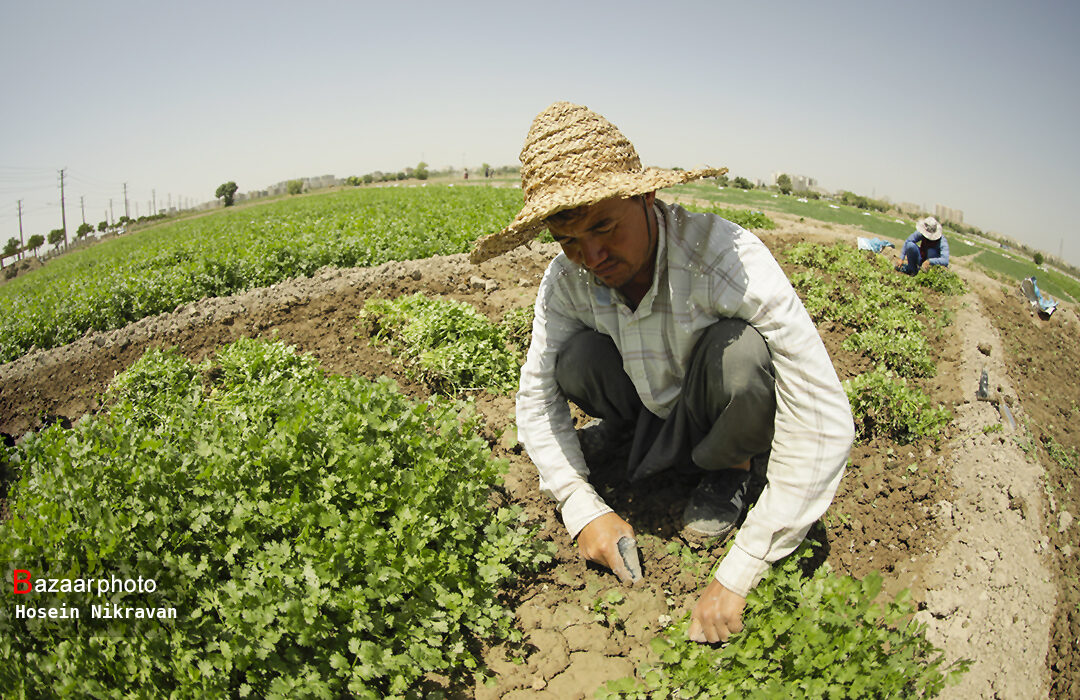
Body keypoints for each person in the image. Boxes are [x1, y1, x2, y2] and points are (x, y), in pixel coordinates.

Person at [469, 102, 854, 645]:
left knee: (742, 355)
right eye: (570, 241)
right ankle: (635, 434)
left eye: (605, 227)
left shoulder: (727, 258)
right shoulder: (566, 280)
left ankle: (729, 468)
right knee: (572, 357)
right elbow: (534, 395)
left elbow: (822, 415)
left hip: (716, 405)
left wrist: (743, 566)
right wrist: (580, 507)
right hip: (648, 398)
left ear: (646, 197)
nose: (593, 255)